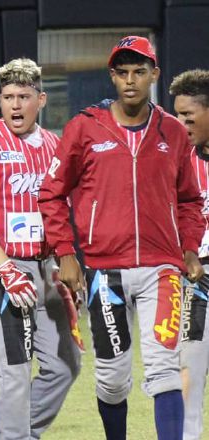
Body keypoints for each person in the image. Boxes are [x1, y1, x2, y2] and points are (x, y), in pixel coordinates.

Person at [38, 36, 205, 440]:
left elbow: (189, 198)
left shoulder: (172, 131)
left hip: (162, 269)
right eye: (123, 72)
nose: (131, 81)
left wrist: (189, 248)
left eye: (140, 72)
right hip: (106, 272)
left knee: (164, 368)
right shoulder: (85, 128)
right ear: (112, 75)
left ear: (154, 75)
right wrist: (65, 252)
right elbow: (51, 192)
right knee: (112, 380)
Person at [0, 58, 81, 440]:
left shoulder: (56, 146)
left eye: (24, 96)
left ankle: (15, 434)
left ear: (40, 99)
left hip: (46, 269)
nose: (15, 105)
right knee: (13, 367)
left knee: (65, 364)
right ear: (0, 100)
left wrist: (66, 260)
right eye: (8, 97)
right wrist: (5, 267)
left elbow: (63, 209)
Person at [169, 68, 209, 440]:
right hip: (195, 283)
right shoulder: (177, 161)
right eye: (176, 115)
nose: (180, 124)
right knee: (188, 375)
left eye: (188, 116)